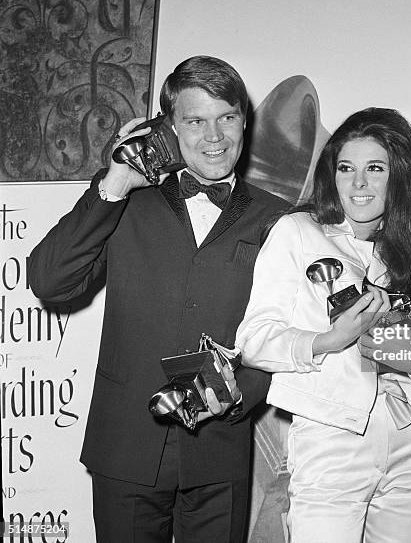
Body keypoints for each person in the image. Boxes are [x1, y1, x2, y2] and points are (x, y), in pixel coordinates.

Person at [29, 55, 288, 542]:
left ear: (244, 121)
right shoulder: (122, 198)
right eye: (194, 121)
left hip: (220, 452)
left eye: (226, 118)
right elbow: (49, 281)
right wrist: (116, 183)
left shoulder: (278, 218)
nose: (213, 137)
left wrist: (240, 393)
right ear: (168, 127)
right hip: (126, 445)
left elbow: (283, 334)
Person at [236, 107, 411, 543]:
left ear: (399, 176)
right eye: (346, 168)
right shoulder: (297, 231)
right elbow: (253, 340)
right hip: (332, 439)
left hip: (410, 440)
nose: (358, 183)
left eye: (375, 168)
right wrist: (330, 339)